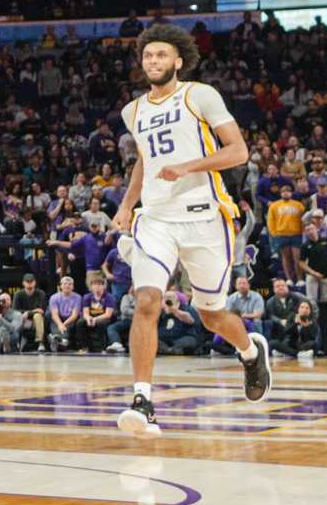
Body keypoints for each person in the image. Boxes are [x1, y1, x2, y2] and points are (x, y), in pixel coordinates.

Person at [110, 25, 269, 438]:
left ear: (178, 60)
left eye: (161, 55)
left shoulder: (200, 96)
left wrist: (189, 166)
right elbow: (144, 160)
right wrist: (127, 205)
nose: (153, 62)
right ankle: (142, 402)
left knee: (212, 314)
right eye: (147, 56)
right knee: (147, 299)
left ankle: (251, 353)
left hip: (204, 216)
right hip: (157, 218)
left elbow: (239, 151)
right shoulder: (133, 110)